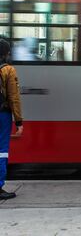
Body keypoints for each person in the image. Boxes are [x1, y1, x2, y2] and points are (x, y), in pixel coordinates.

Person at [0, 39, 23, 200]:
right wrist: (19, 122)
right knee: (1, 151)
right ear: (6, 53)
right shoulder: (8, 70)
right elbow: (14, 98)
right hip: (2, 115)